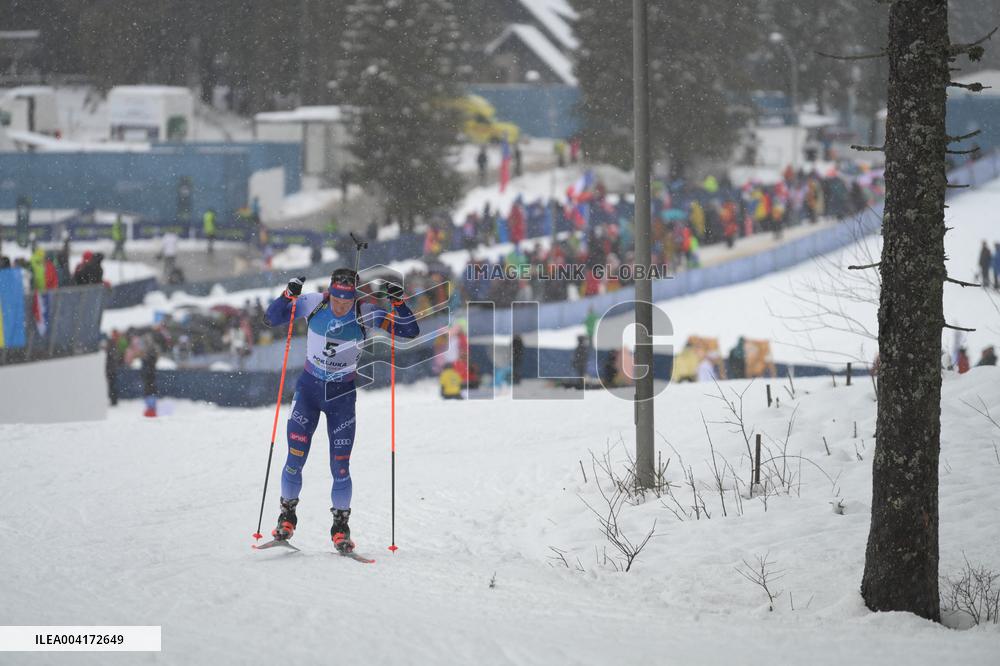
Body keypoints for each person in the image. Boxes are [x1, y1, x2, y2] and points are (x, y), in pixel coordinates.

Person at [263, 268, 420, 553]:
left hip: (342, 398)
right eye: (336, 299)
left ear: (354, 297)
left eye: (345, 302)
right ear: (330, 292)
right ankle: (287, 516)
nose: (339, 306)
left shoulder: (365, 311)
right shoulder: (314, 302)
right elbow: (271, 318)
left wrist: (399, 303)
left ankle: (340, 526)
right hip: (309, 392)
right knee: (295, 457)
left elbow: (409, 331)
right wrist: (288, 295)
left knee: (341, 467)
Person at [141, 336, 159, 417]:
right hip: (149, 375)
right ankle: (151, 408)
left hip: (150, 374)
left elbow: (150, 363)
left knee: (150, 390)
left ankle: (151, 409)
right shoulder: (151, 352)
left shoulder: (150, 353)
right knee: (150, 390)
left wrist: (145, 359)